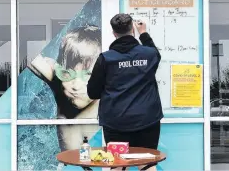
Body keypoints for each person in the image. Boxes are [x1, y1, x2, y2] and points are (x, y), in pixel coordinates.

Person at [87, 13, 163, 171]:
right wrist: (144, 33)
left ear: (114, 33)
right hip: (147, 121)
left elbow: (92, 92)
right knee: (147, 165)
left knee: (118, 165)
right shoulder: (148, 55)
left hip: (115, 123)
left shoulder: (106, 59)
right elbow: (155, 52)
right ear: (132, 30)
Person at [27, 25, 102, 151]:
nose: (76, 86)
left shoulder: (107, 95)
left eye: (88, 75)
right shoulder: (59, 83)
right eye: (68, 73)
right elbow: (23, 51)